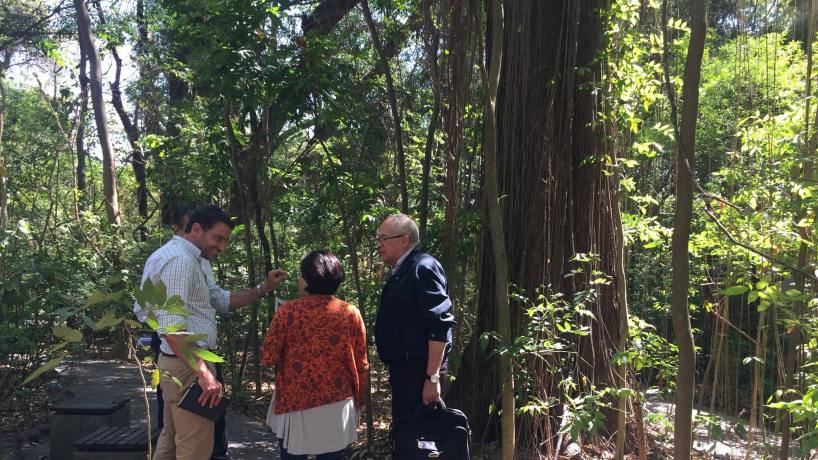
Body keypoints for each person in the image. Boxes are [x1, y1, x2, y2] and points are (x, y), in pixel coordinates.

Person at [137, 205, 287, 460]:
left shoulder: (190, 257)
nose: (221, 247)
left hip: (180, 363)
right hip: (188, 365)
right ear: (196, 229)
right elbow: (173, 328)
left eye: (225, 240)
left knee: (172, 443)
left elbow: (219, 299)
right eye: (218, 238)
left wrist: (264, 288)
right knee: (195, 450)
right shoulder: (180, 261)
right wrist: (204, 375)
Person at [261, 250, 369, 460]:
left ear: (307, 280)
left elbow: (268, 356)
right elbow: (361, 362)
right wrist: (359, 399)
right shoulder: (350, 312)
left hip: (295, 401)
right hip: (337, 401)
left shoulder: (288, 311)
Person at [374, 214, 454, 421]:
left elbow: (439, 324)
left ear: (404, 240)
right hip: (406, 372)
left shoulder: (423, 267)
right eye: (378, 239)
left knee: (419, 440)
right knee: (407, 436)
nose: (379, 245)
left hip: (420, 373)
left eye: (384, 238)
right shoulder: (404, 269)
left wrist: (432, 378)